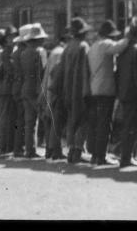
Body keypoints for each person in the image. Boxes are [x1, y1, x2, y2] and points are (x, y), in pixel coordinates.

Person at [87, 20, 132, 165]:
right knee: (104, 123)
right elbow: (121, 46)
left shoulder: (93, 46)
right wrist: (130, 36)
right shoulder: (106, 44)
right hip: (106, 88)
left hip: (95, 87)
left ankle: (95, 154)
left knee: (96, 122)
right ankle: (101, 155)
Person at [116, 17, 137, 168]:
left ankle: (126, 155)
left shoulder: (124, 50)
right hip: (133, 92)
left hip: (123, 90)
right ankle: (128, 156)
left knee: (127, 124)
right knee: (133, 125)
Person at [62, 17, 92, 164]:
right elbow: (86, 69)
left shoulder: (68, 47)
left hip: (67, 88)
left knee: (71, 120)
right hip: (80, 88)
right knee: (83, 120)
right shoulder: (83, 46)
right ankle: (78, 150)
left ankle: (71, 151)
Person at [18, 23, 48, 159]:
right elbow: (44, 71)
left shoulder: (23, 53)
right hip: (37, 89)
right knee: (45, 118)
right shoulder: (40, 52)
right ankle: (49, 148)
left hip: (25, 87)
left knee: (29, 122)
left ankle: (29, 150)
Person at [42, 29, 68, 160]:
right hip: (55, 90)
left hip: (49, 89)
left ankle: (50, 150)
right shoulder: (60, 53)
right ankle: (55, 151)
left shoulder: (54, 52)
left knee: (50, 120)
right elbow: (55, 74)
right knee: (55, 121)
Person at [10, 27, 27, 157]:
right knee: (23, 119)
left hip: (16, 86)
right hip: (23, 87)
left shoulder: (16, 53)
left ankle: (17, 147)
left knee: (18, 118)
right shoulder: (24, 53)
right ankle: (20, 147)